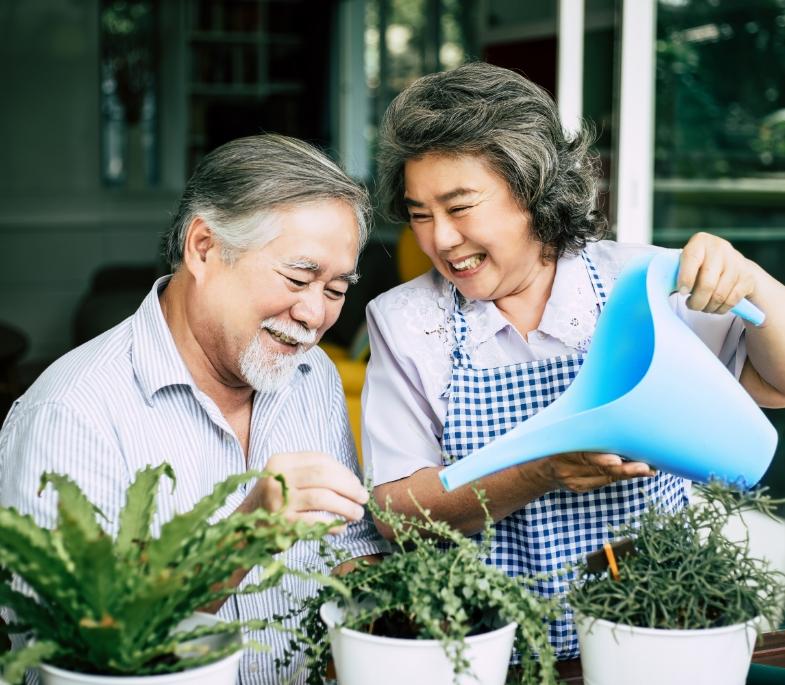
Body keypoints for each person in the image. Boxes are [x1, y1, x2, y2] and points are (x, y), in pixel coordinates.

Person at [362, 62, 785, 659]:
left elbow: (777, 383)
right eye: (420, 213)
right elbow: (395, 513)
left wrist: (757, 285)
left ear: (531, 186)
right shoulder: (406, 322)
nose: (440, 240)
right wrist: (539, 471)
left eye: (459, 207)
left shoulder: (639, 283)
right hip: (493, 651)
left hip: (652, 632)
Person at [0, 134, 387, 683]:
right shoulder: (70, 413)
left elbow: (351, 547)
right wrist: (242, 535)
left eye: (337, 288)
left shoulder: (313, 375)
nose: (314, 314)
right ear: (203, 247)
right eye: (299, 278)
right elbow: (66, 658)